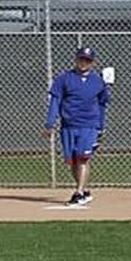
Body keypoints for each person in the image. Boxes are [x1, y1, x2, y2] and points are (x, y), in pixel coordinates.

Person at [45, 47, 110, 206]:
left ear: (92, 63)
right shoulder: (64, 78)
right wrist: (50, 123)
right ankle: (84, 189)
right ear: (76, 59)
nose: (83, 63)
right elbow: (55, 100)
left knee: (83, 157)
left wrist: (101, 125)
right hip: (68, 125)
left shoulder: (98, 82)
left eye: (87, 60)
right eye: (81, 59)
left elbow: (102, 104)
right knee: (73, 160)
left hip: (89, 124)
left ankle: (79, 193)